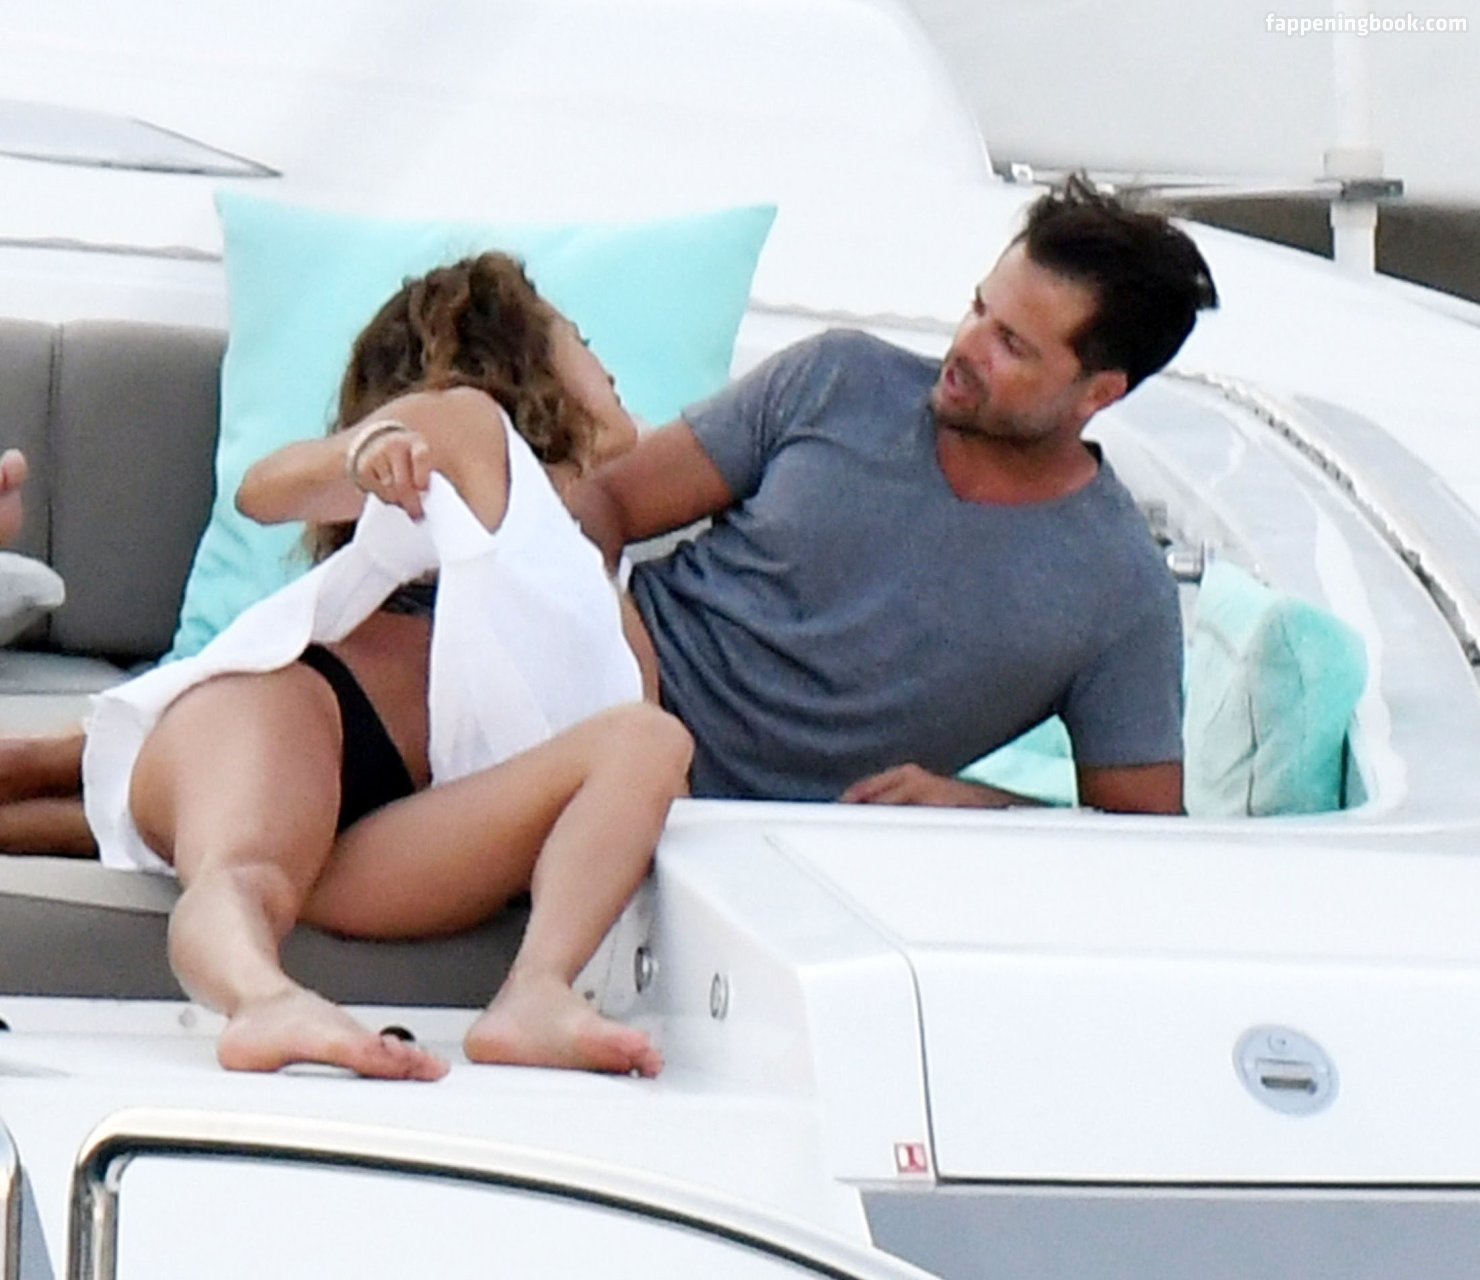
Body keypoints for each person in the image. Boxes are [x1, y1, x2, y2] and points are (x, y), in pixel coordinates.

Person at [66, 253, 692, 1081]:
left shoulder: (596, 575)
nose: (603, 362)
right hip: (299, 708)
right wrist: (365, 452)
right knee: (245, 871)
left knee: (650, 742)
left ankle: (534, 993)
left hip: (396, 820)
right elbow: (263, 491)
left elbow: (633, 791)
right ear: (522, 355)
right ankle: (262, 1003)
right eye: (577, 336)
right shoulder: (466, 430)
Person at [569, 176, 1217, 813]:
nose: (968, 346)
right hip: (586, 679)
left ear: (1098, 393)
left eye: (1011, 345)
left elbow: (1143, 835)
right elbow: (603, 503)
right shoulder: (838, 379)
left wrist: (980, 804)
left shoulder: (1122, 592)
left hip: (715, 835)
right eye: (979, 309)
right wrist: (626, 687)